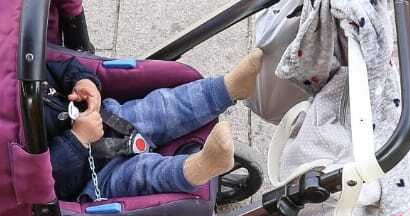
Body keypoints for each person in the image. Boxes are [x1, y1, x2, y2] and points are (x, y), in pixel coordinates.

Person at [44, 48, 263, 203]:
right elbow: (43, 178)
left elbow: (63, 67)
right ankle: (199, 167)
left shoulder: (26, 71)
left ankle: (228, 88)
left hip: (109, 118)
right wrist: (78, 139)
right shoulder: (14, 151)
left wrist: (83, 81)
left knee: (161, 106)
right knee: (143, 174)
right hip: (93, 176)